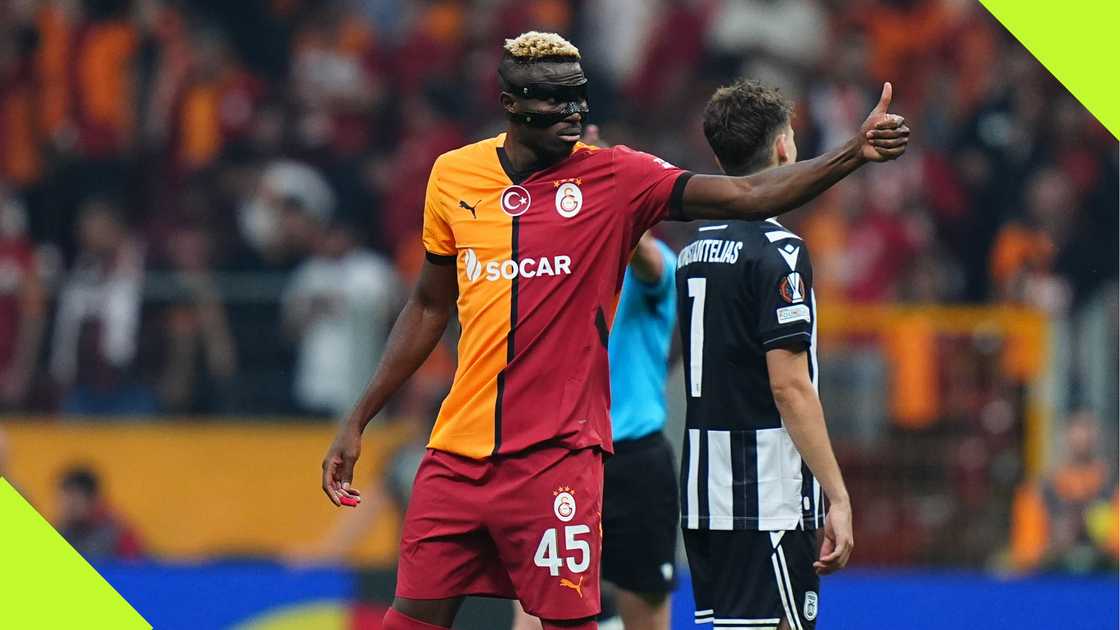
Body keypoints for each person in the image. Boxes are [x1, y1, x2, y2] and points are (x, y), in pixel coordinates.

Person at [320, 32, 908, 630]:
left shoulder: (616, 178)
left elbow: (747, 192)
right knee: (409, 618)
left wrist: (851, 154)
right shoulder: (453, 177)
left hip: (557, 460)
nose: (572, 114)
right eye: (554, 101)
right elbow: (426, 306)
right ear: (510, 103)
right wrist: (358, 417)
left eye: (579, 98)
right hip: (455, 456)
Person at [676, 79, 854, 630]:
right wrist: (837, 495)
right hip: (764, 493)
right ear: (782, 148)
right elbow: (789, 386)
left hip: (705, 489)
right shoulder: (778, 252)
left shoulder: (693, 251)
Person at [514, 230, 681, 630]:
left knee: (645, 607)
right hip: (561, 457)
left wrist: (615, 198)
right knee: (538, 608)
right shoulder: (553, 266)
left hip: (634, 459)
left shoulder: (654, 263)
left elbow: (645, 257)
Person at [283, 215, 401, 418]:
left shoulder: (372, 269)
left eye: (335, 236)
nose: (331, 242)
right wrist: (313, 308)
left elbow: (393, 314)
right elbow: (289, 326)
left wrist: (349, 306)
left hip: (363, 367)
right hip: (318, 372)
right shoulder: (309, 272)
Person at [1010, 410, 1119, 573]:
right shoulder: (1039, 491)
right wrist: (1055, 543)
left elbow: (1116, 542)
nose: (1082, 439)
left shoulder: (1113, 490)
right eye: (1076, 433)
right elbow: (1025, 553)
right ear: (1063, 438)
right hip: (1052, 583)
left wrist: (1099, 534)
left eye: (1088, 432)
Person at [55, 466, 144, 561]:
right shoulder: (63, 529)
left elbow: (136, 566)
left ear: (92, 499)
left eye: (73, 501)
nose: (66, 507)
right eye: (62, 500)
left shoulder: (116, 532)